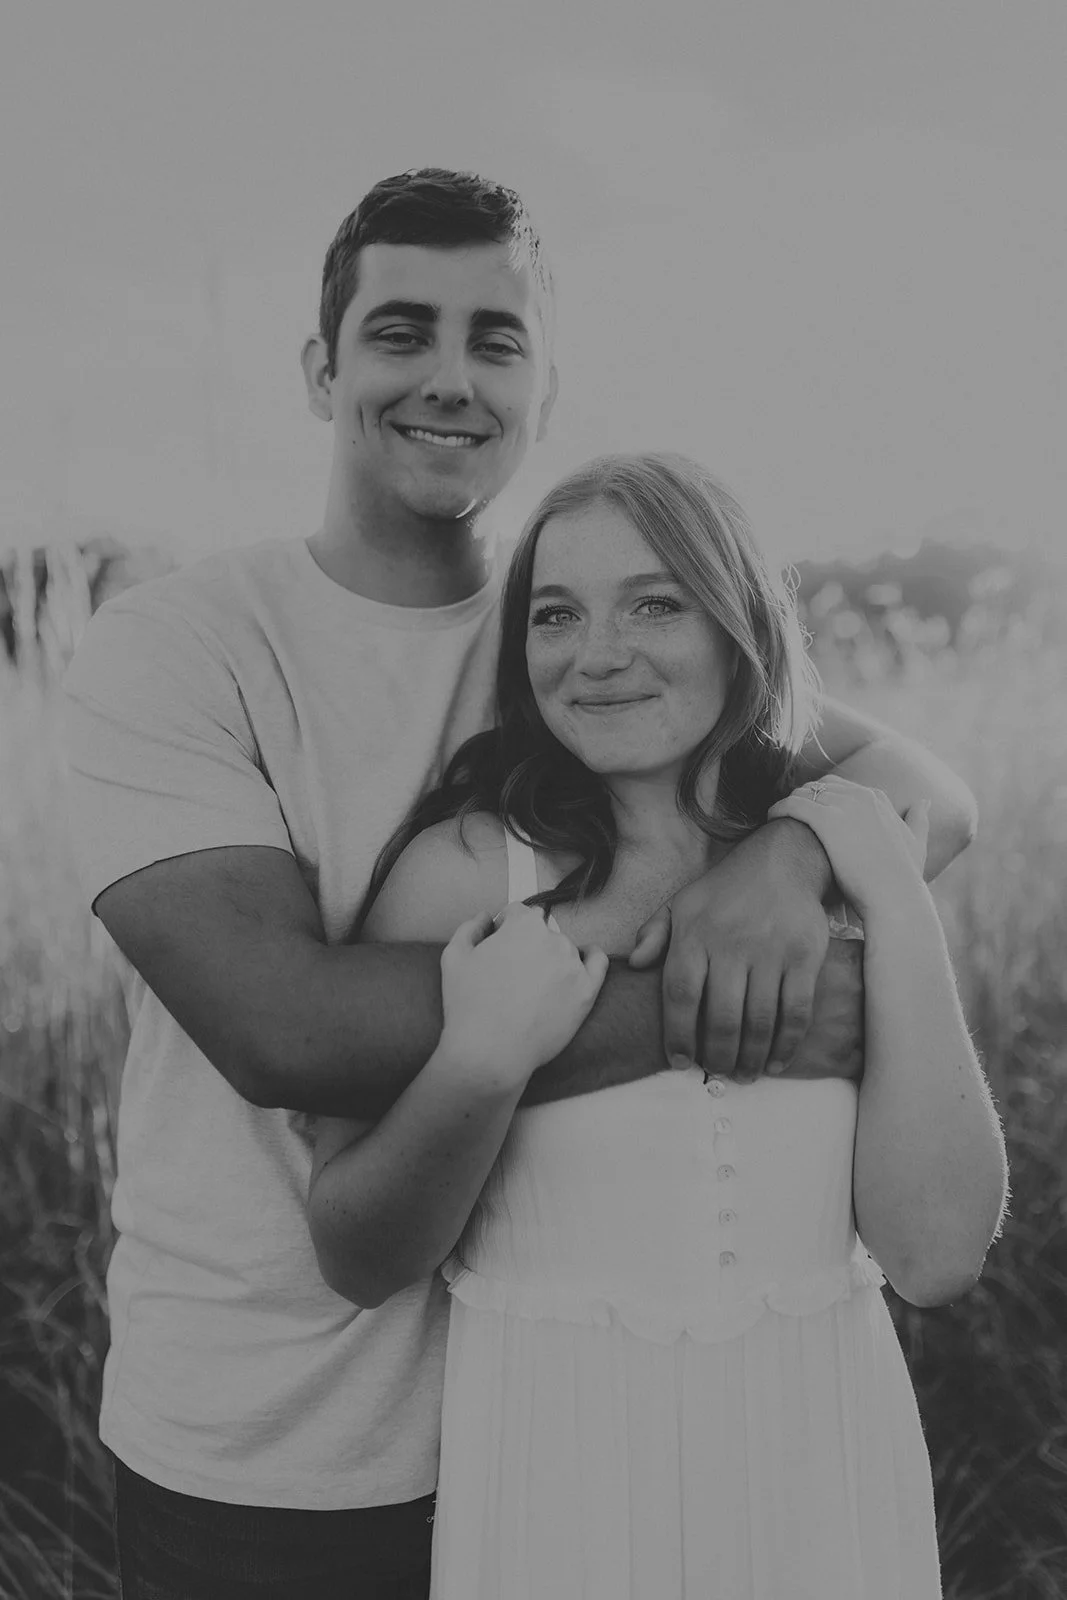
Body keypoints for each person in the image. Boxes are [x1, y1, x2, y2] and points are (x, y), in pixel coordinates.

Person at [62, 170, 979, 1600]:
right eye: (399, 331)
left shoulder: (594, 621)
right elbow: (283, 1031)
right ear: (321, 371)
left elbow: (926, 792)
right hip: (284, 1433)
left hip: (570, 1415)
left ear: (544, 385)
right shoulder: (182, 646)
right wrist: (710, 1012)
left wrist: (794, 861)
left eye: (495, 340)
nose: (447, 377)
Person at [308, 452, 1008, 1599]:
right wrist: (481, 1064)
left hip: (816, 1477)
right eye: (554, 614)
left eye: (653, 602)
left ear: (738, 624)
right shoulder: (469, 872)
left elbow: (931, 1255)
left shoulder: (841, 847)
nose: (596, 652)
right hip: (562, 1482)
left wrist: (867, 888)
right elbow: (355, 1248)